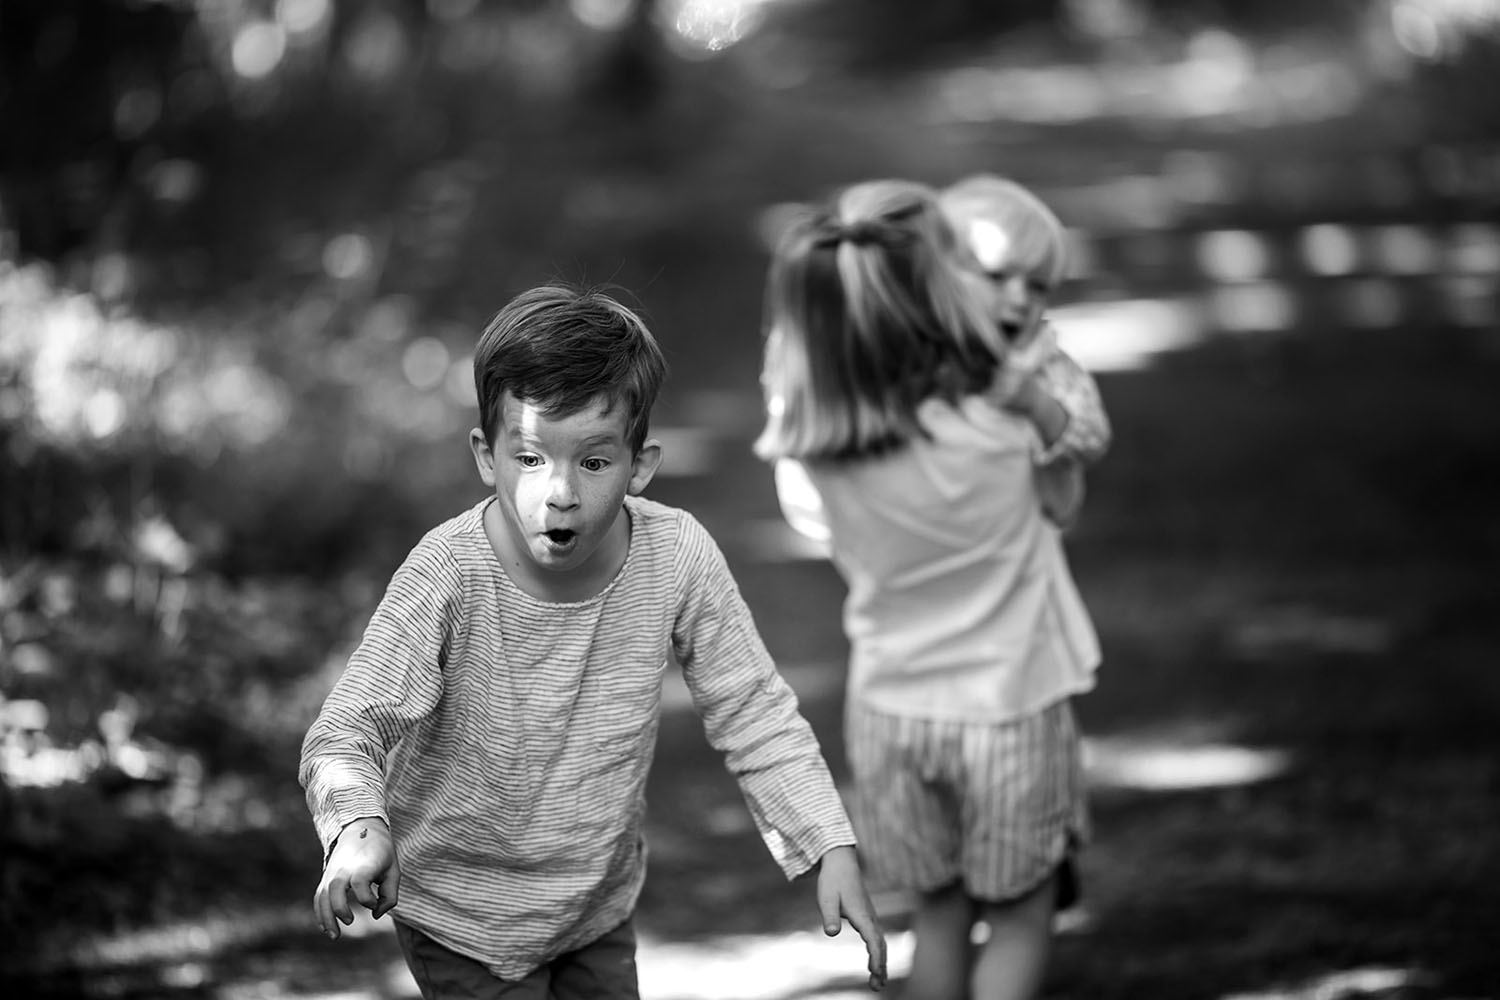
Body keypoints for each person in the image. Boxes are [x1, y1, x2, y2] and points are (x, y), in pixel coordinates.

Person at [300, 282, 888, 999]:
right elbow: (346, 729)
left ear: (639, 466)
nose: (560, 493)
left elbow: (754, 711)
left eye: (594, 461)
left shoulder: (676, 556)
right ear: (487, 457)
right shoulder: (448, 573)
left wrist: (828, 841)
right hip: (461, 916)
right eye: (531, 458)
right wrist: (358, 826)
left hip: (594, 908)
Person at [754, 180, 1101, 1000]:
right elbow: (1066, 497)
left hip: (892, 716)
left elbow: (812, 523)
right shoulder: (1004, 420)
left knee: (938, 916)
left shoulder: (818, 441)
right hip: (1011, 706)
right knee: (1019, 916)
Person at [938, 172, 1112, 528]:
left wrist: (1036, 404)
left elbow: (1092, 439)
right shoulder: (922, 353)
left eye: (1037, 287)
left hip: (1027, 538)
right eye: (997, 277)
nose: (1019, 299)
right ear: (939, 277)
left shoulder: (1046, 366)